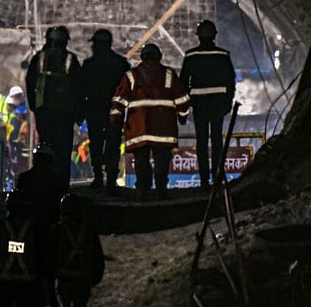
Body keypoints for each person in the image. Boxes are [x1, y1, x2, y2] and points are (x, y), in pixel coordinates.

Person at [110, 43, 191, 201]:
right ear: (159, 57)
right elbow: (182, 99)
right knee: (162, 162)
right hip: (163, 129)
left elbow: (119, 99)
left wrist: (115, 117)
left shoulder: (132, 76)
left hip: (139, 129)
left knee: (141, 162)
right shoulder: (169, 75)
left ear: (143, 57)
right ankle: (161, 191)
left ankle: (143, 191)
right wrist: (182, 115)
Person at [14, 143, 67, 307]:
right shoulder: (58, 181)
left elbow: (17, 205)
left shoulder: (24, 179)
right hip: (51, 232)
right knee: (51, 273)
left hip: (28, 232)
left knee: (31, 273)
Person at [179, 20, 236, 189]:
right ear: (214, 36)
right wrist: (228, 103)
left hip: (200, 105)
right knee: (217, 141)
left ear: (199, 37)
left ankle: (204, 181)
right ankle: (217, 177)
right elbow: (230, 81)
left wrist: (183, 109)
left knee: (202, 142)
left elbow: (183, 83)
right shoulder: (223, 55)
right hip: (218, 105)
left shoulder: (191, 56)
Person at [25, 25, 84, 186]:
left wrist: (34, 107)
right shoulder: (71, 60)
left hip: (44, 111)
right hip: (65, 112)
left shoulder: (40, 58)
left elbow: (30, 83)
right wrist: (79, 113)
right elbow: (80, 88)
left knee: (45, 147)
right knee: (63, 150)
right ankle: (61, 184)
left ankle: (43, 183)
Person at [50, 194, 104, 307]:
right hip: (83, 278)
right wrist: (95, 277)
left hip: (63, 277)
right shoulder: (88, 230)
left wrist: (51, 275)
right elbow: (97, 256)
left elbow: (49, 255)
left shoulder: (57, 230)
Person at [81, 29, 131, 193]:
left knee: (96, 144)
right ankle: (110, 179)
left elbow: (81, 90)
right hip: (114, 111)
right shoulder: (120, 64)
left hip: (95, 111)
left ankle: (99, 178)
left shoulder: (89, 65)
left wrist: (80, 112)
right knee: (113, 144)